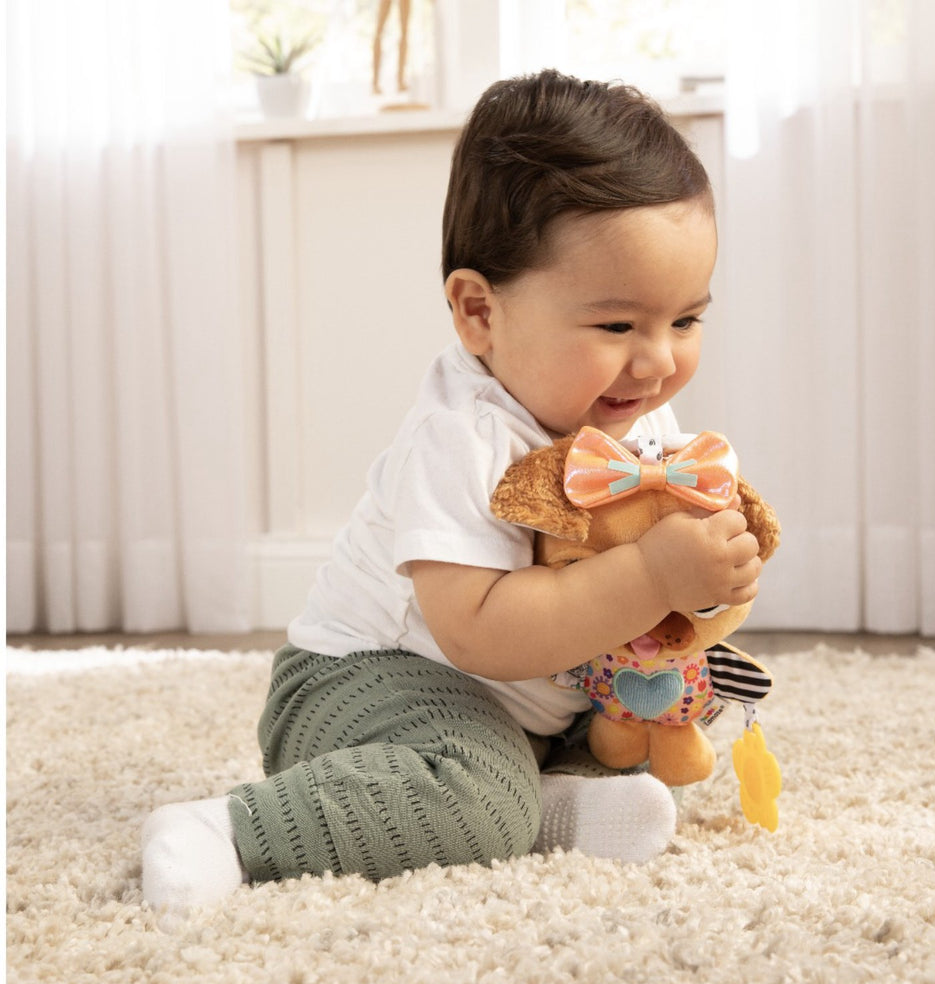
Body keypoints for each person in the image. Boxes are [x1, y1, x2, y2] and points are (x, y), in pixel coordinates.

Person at [142, 69, 762, 912]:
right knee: (476, 791)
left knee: (660, 719)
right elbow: (478, 633)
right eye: (618, 325)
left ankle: (547, 802)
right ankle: (227, 830)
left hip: (524, 705)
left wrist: (708, 579)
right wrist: (653, 574)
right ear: (478, 312)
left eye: (685, 320)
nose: (657, 361)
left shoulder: (636, 413)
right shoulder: (460, 434)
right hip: (363, 689)